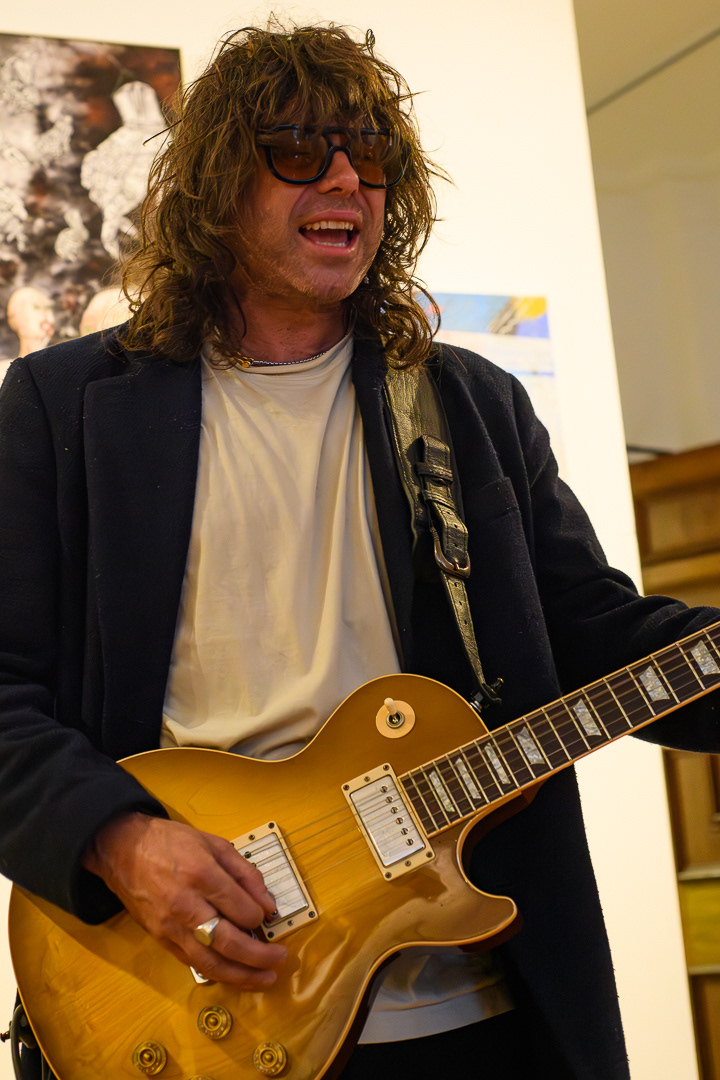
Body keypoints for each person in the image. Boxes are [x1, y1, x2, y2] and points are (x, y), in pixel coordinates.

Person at [1, 22, 719, 1080]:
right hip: (193, 1002)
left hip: (476, 1013)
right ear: (216, 185)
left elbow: (599, 636)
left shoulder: (470, 407)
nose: (345, 178)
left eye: (370, 153)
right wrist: (118, 839)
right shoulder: (63, 407)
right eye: (299, 149)